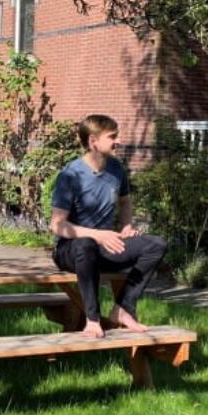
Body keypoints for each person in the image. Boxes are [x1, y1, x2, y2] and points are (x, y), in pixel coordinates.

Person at [49, 114, 167, 338]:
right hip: (69, 250)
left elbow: (124, 202)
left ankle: (123, 309)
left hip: (105, 246)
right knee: (85, 245)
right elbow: (57, 225)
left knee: (155, 245)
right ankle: (92, 319)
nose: (117, 141)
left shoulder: (116, 169)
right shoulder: (70, 175)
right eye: (112, 137)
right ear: (93, 141)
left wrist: (127, 226)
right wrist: (98, 235)